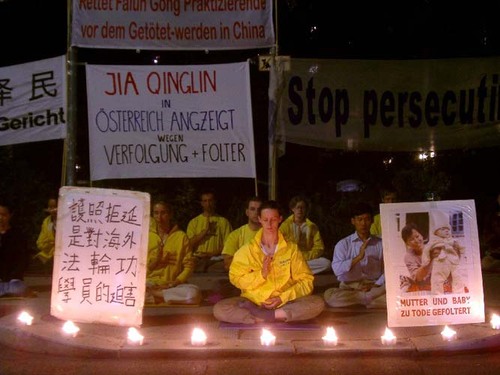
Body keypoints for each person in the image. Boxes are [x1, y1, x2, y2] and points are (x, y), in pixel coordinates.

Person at [213, 200, 325, 324]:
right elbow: (235, 278)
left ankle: (262, 317)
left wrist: (282, 298)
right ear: (260, 219)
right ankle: (274, 316)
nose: (269, 224)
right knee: (220, 309)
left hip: (285, 302)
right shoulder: (247, 250)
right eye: (265, 220)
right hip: (254, 302)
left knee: (317, 303)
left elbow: (306, 280)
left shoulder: (291, 248)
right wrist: (261, 275)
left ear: (280, 219)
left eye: (273, 219)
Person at [324, 202, 385, 308]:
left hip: (374, 286)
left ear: (372, 221)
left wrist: (375, 284)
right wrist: (358, 258)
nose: (363, 223)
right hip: (350, 287)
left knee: (394, 290)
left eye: (367, 219)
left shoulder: (380, 243)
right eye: (360, 219)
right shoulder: (343, 244)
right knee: (330, 296)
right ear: (353, 221)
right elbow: (337, 270)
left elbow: (387, 270)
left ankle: (363, 299)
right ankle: (368, 300)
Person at [146, 200, 201, 305]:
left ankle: (156, 296)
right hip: (150, 283)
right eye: (156, 213)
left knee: (194, 293)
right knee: (128, 290)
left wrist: (174, 283)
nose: (159, 217)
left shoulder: (181, 237)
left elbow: (189, 267)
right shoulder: (147, 236)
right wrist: (156, 261)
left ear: (170, 214)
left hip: (173, 284)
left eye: (163, 213)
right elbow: (139, 268)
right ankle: (163, 296)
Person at [279, 195, 330, 274]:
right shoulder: (285, 225)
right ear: (293, 209)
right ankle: (299, 270)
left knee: (327, 263)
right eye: (297, 207)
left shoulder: (312, 226)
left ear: (306, 210)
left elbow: (319, 247)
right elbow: (279, 246)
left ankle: (297, 271)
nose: (300, 210)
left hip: (308, 259)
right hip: (291, 259)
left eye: (302, 207)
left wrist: (306, 256)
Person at [186, 190, 232, 273]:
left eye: (210, 200)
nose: (208, 204)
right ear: (201, 203)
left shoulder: (223, 222)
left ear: (214, 202)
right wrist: (204, 232)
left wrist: (210, 254)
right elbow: (189, 244)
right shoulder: (194, 222)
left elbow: (228, 246)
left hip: (216, 259)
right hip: (198, 258)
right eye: (205, 201)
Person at [421, 217, 466, 294]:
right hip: (440, 262)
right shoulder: (434, 241)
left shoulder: (453, 240)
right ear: (436, 232)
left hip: (453, 261)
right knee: (437, 279)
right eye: (442, 229)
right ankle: (437, 295)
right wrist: (426, 260)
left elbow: (462, 247)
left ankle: (459, 293)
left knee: (458, 277)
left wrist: (463, 254)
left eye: (448, 229)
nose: (446, 231)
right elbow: (426, 250)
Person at [222, 196, 263, 271]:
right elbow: (227, 263)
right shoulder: (235, 235)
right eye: (252, 209)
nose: (256, 212)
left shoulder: (272, 234)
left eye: (259, 209)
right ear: (247, 212)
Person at [400, 222, 441, 293]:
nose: (416, 241)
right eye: (411, 239)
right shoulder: (408, 256)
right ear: (407, 243)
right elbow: (418, 278)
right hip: (423, 286)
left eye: (417, 236)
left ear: (422, 236)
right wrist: (430, 260)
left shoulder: (433, 247)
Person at [0, 201, 29, 297]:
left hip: (13, 280)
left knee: (17, 288)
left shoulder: (17, 234)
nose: (0, 218)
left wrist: (15, 276)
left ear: (9, 216)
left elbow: (22, 259)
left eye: (3, 215)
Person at [33, 197, 58, 267]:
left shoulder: (68, 221)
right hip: (48, 255)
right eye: (50, 207)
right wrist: (51, 242)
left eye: (55, 206)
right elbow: (40, 243)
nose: (52, 210)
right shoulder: (46, 221)